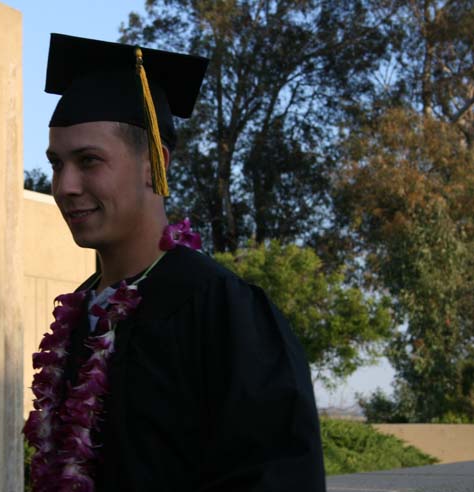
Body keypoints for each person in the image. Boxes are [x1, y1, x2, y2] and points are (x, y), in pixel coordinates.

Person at [23, 33, 326, 492]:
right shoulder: (78, 318)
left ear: (155, 164)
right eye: (56, 163)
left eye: (88, 161)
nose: (65, 185)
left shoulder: (220, 310)